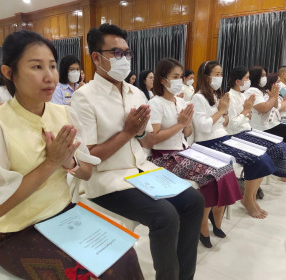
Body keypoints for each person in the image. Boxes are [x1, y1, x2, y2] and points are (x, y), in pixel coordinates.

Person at [0, 30, 143, 280]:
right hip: (14, 233)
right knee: (91, 274)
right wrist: (50, 163)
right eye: (36, 66)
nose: (49, 76)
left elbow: (86, 171)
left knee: (125, 254)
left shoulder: (63, 114)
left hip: (64, 216)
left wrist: (67, 161)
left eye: (51, 66)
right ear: (9, 73)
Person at [71, 23, 204, 280]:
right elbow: (88, 156)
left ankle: (184, 276)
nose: (124, 59)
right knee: (165, 216)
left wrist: (145, 132)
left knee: (194, 202)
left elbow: (146, 142)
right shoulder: (84, 97)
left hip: (142, 171)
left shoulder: (135, 93)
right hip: (108, 180)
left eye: (127, 53)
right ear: (97, 58)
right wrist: (129, 132)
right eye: (116, 53)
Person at [148, 58, 241, 249]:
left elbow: (188, 133)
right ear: (163, 79)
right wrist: (181, 124)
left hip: (183, 150)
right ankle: (202, 224)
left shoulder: (181, 101)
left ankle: (216, 217)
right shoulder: (155, 103)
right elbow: (155, 138)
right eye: (174, 77)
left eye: (180, 77)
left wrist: (186, 125)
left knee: (225, 169)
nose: (179, 80)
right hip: (163, 156)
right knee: (208, 177)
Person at [193, 61, 277, 219]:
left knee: (263, 155)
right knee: (257, 160)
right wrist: (223, 112)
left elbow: (224, 122)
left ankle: (250, 198)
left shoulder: (216, 95)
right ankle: (248, 200)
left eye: (221, 74)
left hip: (222, 137)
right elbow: (204, 127)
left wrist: (224, 115)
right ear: (206, 77)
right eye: (216, 74)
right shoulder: (198, 98)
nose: (220, 77)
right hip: (208, 142)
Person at [244, 66, 286, 180]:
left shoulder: (267, 92)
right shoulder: (256, 91)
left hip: (279, 121)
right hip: (273, 123)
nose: (278, 84)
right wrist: (283, 99)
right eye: (262, 75)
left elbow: (278, 106)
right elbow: (272, 108)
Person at [227, 65, 286, 179]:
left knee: (281, 145)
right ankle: (250, 189)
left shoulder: (242, 95)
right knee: (266, 154)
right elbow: (233, 124)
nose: (249, 81)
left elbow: (248, 117)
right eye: (247, 78)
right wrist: (246, 112)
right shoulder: (230, 96)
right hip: (237, 134)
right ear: (237, 81)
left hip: (247, 130)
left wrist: (246, 114)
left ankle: (258, 182)